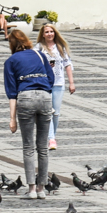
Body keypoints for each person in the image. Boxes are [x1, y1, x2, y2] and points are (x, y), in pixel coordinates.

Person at [3, 27, 54, 197]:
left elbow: (12, 93)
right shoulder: (40, 54)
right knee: (43, 147)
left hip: (25, 97)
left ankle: (31, 188)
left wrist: (12, 119)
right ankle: (42, 188)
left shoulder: (11, 61)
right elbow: (51, 79)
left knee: (28, 147)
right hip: (45, 97)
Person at [37, 21, 74, 149]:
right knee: (48, 111)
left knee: (56, 113)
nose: (49, 34)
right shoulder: (38, 47)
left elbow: (67, 64)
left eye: (51, 31)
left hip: (58, 83)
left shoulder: (60, 47)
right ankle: (51, 139)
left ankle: (52, 136)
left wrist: (71, 82)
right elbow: (34, 64)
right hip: (44, 84)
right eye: (46, 32)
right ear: (42, 34)